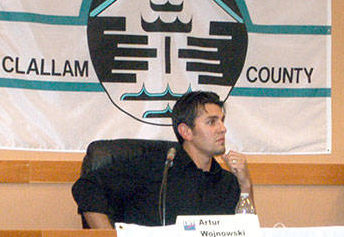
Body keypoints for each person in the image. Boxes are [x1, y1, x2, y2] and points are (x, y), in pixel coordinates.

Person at [72, 90, 252, 227]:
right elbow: (86, 186)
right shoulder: (155, 166)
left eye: (222, 121)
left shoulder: (227, 181)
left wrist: (245, 185)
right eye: (212, 122)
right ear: (186, 131)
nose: (223, 129)